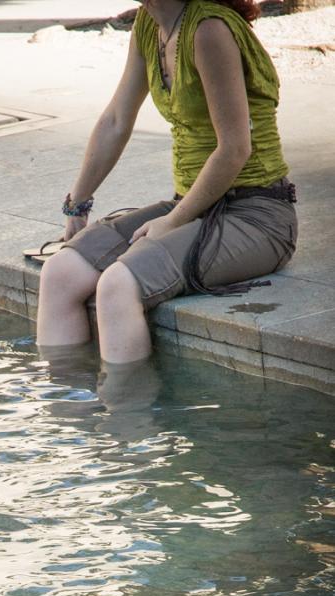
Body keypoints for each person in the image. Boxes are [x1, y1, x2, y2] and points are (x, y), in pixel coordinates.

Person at [36, 0, 298, 367]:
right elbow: (115, 120)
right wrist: (78, 206)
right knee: (60, 274)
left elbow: (235, 149)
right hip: (191, 206)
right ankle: (69, 415)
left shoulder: (209, 30)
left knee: (117, 286)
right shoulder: (149, 24)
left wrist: (171, 223)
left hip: (257, 215)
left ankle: (127, 420)